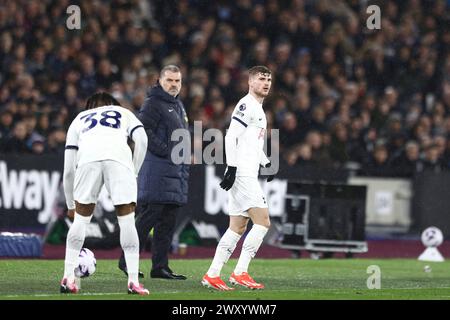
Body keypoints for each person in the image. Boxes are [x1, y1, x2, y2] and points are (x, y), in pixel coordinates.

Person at [60, 92, 149, 295]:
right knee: (127, 222)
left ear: (89, 106)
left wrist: (70, 205)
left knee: (80, 221)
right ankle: (133, 281)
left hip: (87, 160)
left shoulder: (79, 119)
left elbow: (68, 170)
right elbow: (142, 140)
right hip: (119, 160)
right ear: (112, 104)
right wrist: (133, 171)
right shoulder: (123, 112)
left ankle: (68, 278)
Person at [202, 66, 275, 291]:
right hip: (242, 172)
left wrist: (266, 163)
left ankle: (213, 274)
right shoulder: (247, 105)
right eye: (261, 79)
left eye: (269, 79)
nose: (266, 83)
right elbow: (231, 135)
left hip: (246, 170)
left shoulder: (258, 109)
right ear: (250, 82)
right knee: (263, 222)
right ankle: (240, 272)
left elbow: (250, 142)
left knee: (237, 227)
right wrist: (232, 168)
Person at [118, 65, 190, 280]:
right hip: (158, 171)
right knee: (148, 218)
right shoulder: (153, 103)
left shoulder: (177, 105)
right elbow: (143, 131)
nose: (174, 84)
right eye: (169, 80)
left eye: (177, 81)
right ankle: (126, 260)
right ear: (160, 81)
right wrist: (167, 152)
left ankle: (160, 267)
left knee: (167, 222)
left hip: (174, 172)